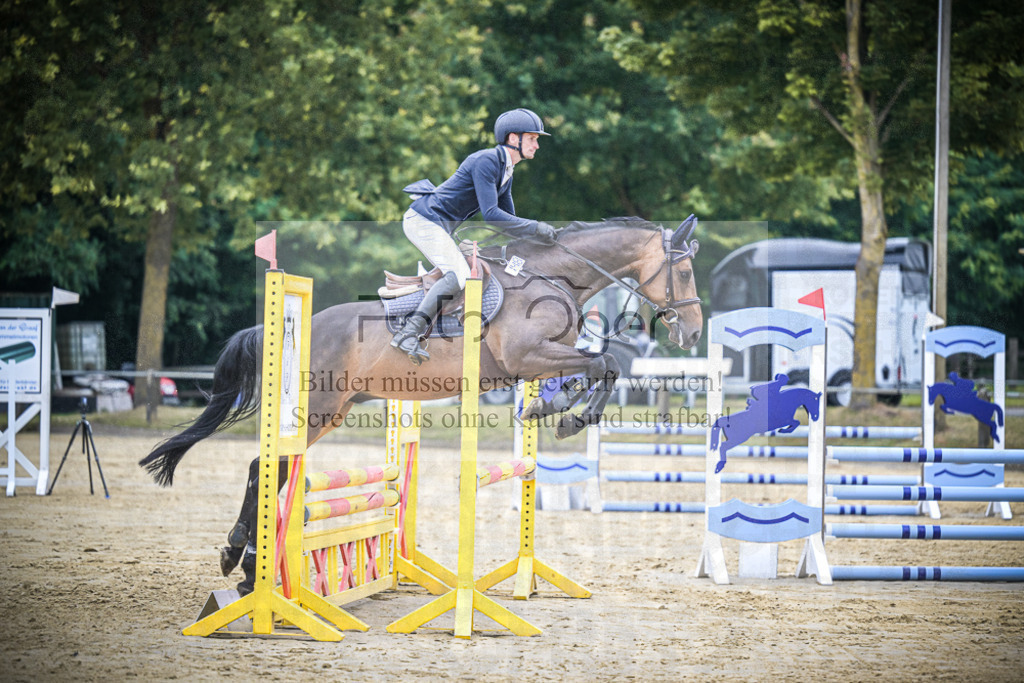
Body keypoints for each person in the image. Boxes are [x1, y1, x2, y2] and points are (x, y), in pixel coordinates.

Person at [391, 108, 558, 365]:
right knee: (461, 276)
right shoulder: (487, 161)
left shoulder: (506, 170)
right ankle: (408, 333)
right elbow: (491, 215)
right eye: (533, 138)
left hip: (439, 225)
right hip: (424, 221)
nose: (537, 145)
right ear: (514, 139)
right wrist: (535, 227)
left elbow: (507, 221)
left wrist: (534, 241)